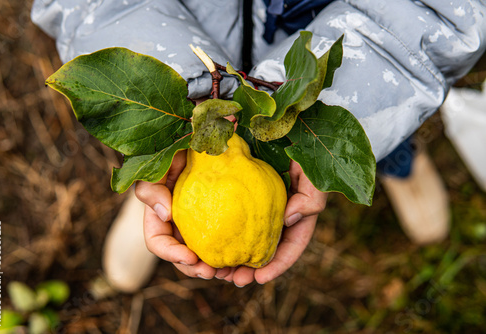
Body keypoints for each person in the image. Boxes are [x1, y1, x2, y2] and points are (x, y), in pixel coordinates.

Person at [31, 0, 486, 290]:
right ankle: (167, 177)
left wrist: (348, 102)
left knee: (374, 130)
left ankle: (395, 164)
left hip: (348, 56)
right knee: (178, 146)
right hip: (187, 39)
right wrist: (184, 90)